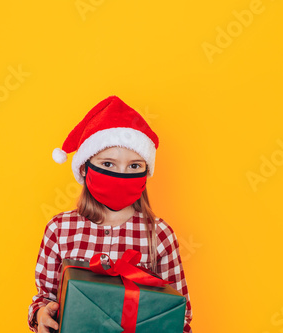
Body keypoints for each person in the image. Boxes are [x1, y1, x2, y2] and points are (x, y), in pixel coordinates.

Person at [27, 95, 192, 332]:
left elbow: (180, 313)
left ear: (146, 172)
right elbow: (44, 298)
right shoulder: (59, 229)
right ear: (85, 168)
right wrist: (42, 314)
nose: (121, 174)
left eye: (134, 166)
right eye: (108, 164)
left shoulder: (160, 235)